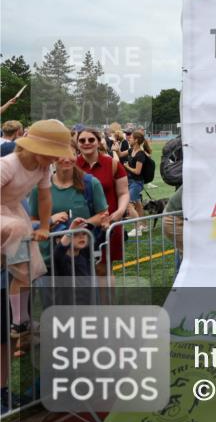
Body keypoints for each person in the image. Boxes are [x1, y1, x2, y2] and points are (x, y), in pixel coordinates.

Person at [1, 120, 74, 356]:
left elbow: (44, 198)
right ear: (33, 148)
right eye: (51, 153)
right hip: (4, 215)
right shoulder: (8, 165)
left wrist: (44, 225)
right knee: (18, 229)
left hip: (14, 213)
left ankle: (19, 321)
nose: (55, 159)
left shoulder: (43, 169)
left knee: (27, 270)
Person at [75, 126, 129, 274]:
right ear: (77, 143)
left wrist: (120, 211)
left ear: (99, 142)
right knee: (79, 270)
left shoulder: (112, 164)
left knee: (103, 269)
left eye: (91, 139)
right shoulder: (72, 165)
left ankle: (106, 299)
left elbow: (124, 192)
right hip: (80, 226)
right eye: (82, 140)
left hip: (108, 224)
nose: (87, 143)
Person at [121, 128, 152, 235]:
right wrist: (115, 149)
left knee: (128, 204)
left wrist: (127, 166)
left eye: (131, 138)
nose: (128, 139)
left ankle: (137, 229)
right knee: (138, 205)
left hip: (137, 182)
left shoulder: (140, 154)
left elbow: (137, 172)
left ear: (136, 140)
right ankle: (144, 225)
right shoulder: (131, 150)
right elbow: (120, 155)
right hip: (130, 181)